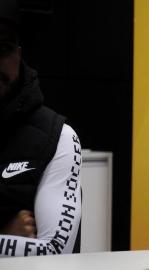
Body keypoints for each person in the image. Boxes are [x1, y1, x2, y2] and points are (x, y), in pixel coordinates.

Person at [0, 0, 81, 256]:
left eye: (2, 49)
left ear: (18, 55)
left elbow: (54, 251)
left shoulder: (58, 138)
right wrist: (5, 237)